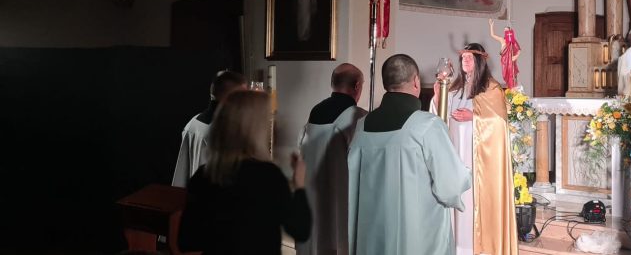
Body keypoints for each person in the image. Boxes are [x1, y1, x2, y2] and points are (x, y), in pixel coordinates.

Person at [348, 54, 470, 255]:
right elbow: (451, 186)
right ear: (416, 81)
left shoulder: (363, 125)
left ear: (386, 83)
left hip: (372, 235)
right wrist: (467, 172)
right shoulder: (427, 125)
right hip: (416, 238)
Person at [178, 90, 311, 255]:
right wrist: (299, 186)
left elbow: (186, 241)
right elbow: (301, 230)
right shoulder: (269, 177)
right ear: (256, 130)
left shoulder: (204, 176)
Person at [432, 43, 518, 255]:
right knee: (457, 198)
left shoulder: (491, 89)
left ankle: (473, 248)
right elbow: (439, 118)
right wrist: (438, 96)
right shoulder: (454, 89)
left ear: (479, 61)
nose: (465, 61)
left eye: (470, 57)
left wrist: (474, 117)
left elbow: (500, 123)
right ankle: (455, 247)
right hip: (455, 153)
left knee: (472, 200)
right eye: (463, 58)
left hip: (477, 159)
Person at [297, 63, 367, 255]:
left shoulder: (315, 111)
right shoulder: (357, 116)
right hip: (340, 199)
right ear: (357, 86)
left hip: (312, 197)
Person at [172, 70, 246, 188]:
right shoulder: (225, 130)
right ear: (229, 96)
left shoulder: (192, 123)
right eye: (243, 95)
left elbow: (181, 176)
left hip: (194, 191)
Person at [489, 19, 521, 90]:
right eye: (504, 30)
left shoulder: (513, 42)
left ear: (510, 32)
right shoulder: (502, 40)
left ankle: (513, 89)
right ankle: (509, 88)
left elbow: (519, 50)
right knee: (505, 75)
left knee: (512, 75)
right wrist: (491, 25)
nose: (505, 31)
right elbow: (492, 35)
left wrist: (515, 56)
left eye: (507, 30)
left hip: (511, 61)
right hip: (504, 61)